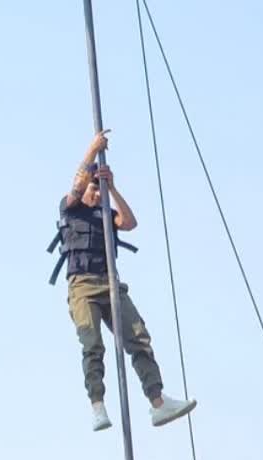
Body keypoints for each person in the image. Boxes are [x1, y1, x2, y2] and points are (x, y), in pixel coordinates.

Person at [50, 129, 196, 431]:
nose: (94, 192)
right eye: (93, 187)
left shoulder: (106, 213)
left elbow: (129, 222)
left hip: (110, 283)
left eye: (96, 188)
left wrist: (112, 189)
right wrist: (93, 149)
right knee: (92, 344)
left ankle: (157, 402)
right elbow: (77, 185)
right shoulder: (70, 208)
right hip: (83, 287)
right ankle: (98, 405)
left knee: (138, 338)